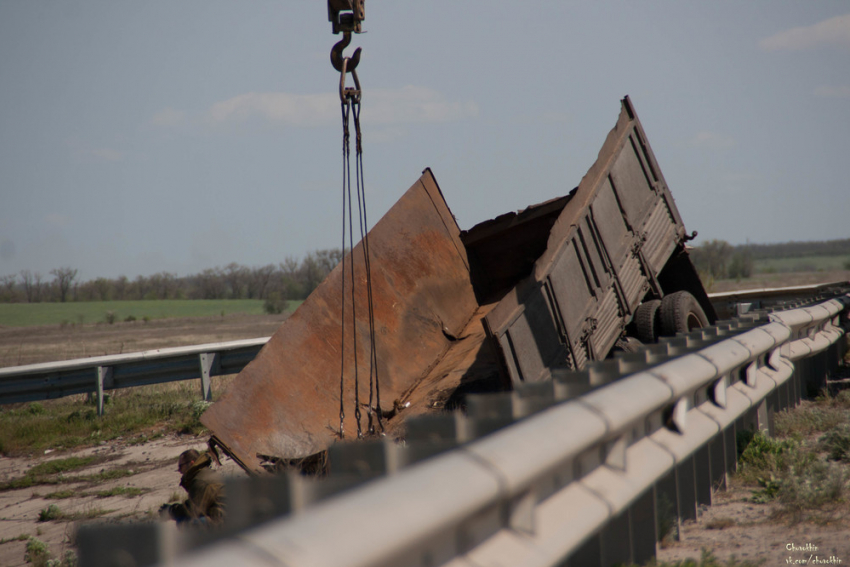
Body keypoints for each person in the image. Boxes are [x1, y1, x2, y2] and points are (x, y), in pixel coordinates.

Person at [160, 449, 225, 527]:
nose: (179, 470)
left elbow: (192, 510)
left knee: (183, 522)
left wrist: (170, 511)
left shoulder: (200, 480)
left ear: (191, 463)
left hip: (222, 521)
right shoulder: (204, 473)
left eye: (181, 466)